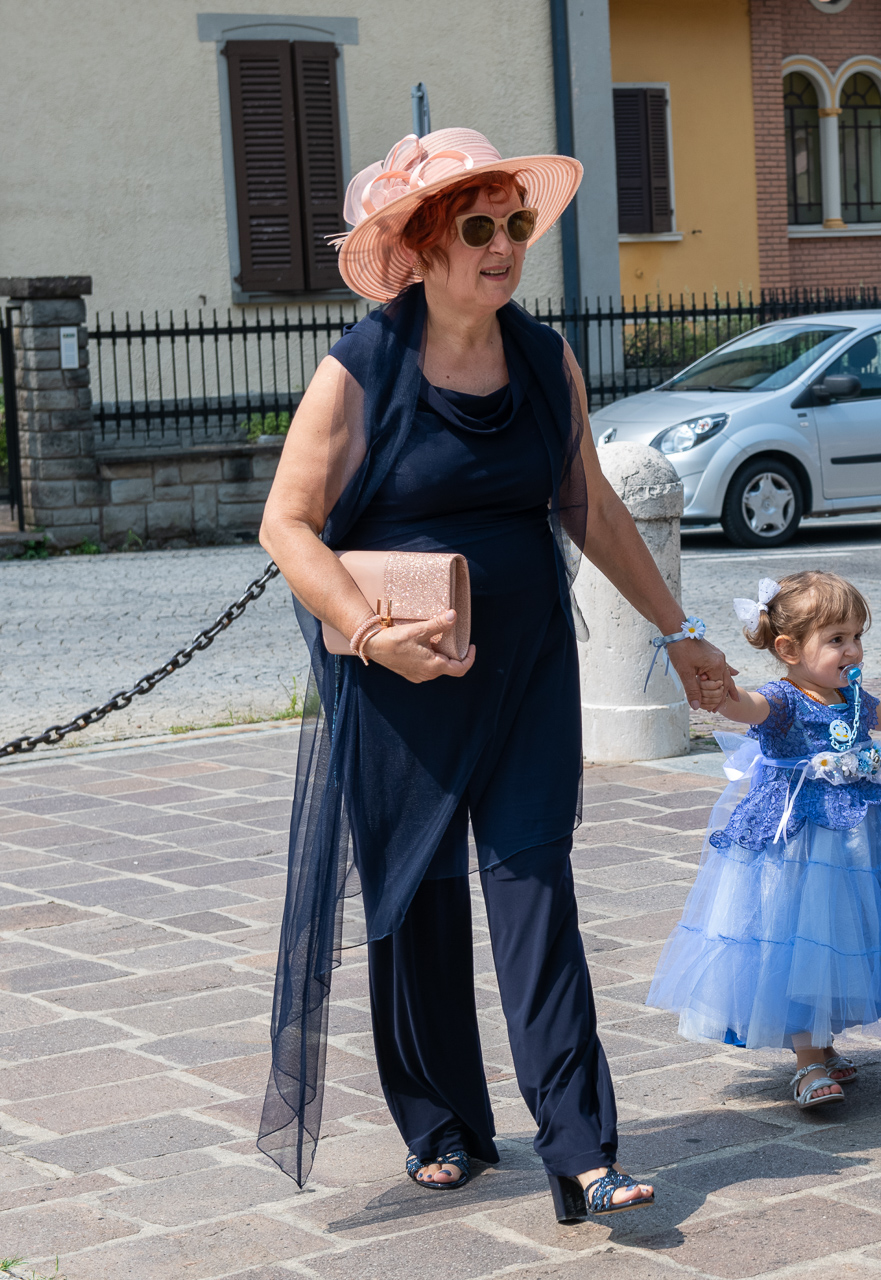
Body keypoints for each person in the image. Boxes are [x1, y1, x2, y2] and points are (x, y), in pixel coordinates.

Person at [256, 128, 734, 1224]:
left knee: (534, 884)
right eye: (478, 227)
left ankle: (580, 1145)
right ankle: (443, 1123)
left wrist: (678, 628)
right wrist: (373, 636)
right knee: (416, 895)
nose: (505, 244)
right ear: (421, 246)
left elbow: (590, 505)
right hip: (399, 679)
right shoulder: (361, 366)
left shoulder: (543, 354)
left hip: (524, 670)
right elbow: (287, 524)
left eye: (516, 223)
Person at [647, 572, 881, 1108]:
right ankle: (808, 1060)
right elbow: (748, 708)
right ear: (787, 648)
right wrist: (724, 694)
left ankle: (823, 1044)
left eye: (857, 636)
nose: (852, 649)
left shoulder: (850, 693)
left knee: (847, 935)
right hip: (802, 843)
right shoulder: (784, 698)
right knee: (804, 940)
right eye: (837, 639)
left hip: (858, 841)